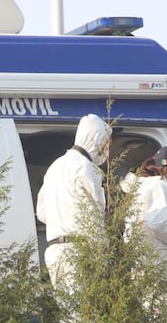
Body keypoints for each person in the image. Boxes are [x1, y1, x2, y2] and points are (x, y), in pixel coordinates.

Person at [35, 113, 112, 293]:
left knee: (68, 315)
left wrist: (62, 219)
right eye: (105, 143)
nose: (106, 149)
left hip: (54, 251)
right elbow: (93, 212)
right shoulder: (85, 168)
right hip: (79, 251)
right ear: (97, 139)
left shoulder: (55, 166)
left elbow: (42, 212)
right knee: (85, 315)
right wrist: (102, 255)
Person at [125, 146, 167, 315]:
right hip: (163, 266)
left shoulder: (141, 188)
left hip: (149, 264)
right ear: (166, 169)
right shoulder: (160, 187)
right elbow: (161, 223)